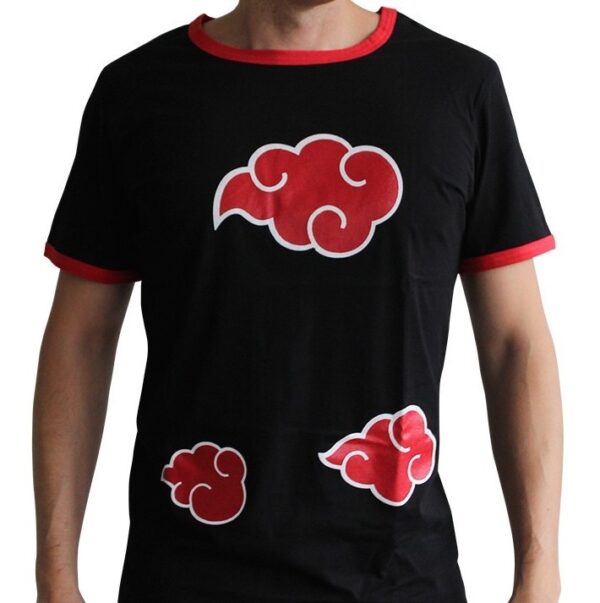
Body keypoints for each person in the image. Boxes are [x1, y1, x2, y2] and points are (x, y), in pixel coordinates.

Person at [33, 1, 563, 602]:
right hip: (185, 576)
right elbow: (81, 339)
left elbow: (514, 342)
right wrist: (55, 577)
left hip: (399, 580)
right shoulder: (137, 91)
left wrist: (539, 573)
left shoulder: (459, 87)